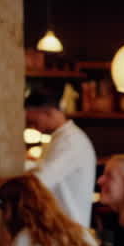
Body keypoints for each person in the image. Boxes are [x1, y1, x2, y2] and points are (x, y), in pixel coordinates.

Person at [24, 87, 96, 226]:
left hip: (70, 232)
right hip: (60, 229)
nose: (34, 127)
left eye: (34, 121)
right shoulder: (58, 139)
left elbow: (40, 181)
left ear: (48, 112)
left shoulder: (71, 142)